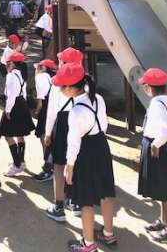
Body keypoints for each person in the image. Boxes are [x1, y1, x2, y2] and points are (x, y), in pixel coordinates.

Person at [61, 63, 116, 252]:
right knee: (105, 192)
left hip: (85, 152)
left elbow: (74, 142)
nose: (60, 90)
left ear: (70, 88)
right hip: (101, 145)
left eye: (61, 86)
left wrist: (69, 165)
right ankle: (108, 233)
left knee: (86, 199)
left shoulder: (76, 111)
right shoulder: (98, 98)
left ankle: (88, 243)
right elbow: (104, 125)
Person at [138, 68, 167, 245]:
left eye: (144, 85)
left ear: (149, 87)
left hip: (158, 148)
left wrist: (156, 144)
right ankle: (163, 222)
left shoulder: (156, 104)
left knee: (165, 193)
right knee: (163, 191)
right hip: (166, 148)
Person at [44, 47, 84, 219]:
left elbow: (51, 111)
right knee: (76, 163)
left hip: (62, 124)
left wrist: (47, 133)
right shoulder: (85, 83)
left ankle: (59, 206)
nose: (58, 62)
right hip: (81, 124)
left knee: (59, 166)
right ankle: (76, 201)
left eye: (61, 60)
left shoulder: (57, 83)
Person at [0, 51, 35, 176]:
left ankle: (17, 164)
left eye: (8, 62)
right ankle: (21, 162)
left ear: (13, 63)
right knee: (20, 135)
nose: (6, 65)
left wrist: (8, 110)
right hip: (21, 104)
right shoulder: (20, 74)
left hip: (14, 106)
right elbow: (22, 92)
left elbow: (11, 95)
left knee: (7, 135)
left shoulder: (11, 76)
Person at [33, 58, 57, 183]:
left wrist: (37, 110)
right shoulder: (52, 78)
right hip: (54, 109)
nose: (36, 70)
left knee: (44, 136)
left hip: (46, 109)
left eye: (38, 67)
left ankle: (48, 166)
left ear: (43, 68)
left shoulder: (41, 77)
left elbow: (40, 98)